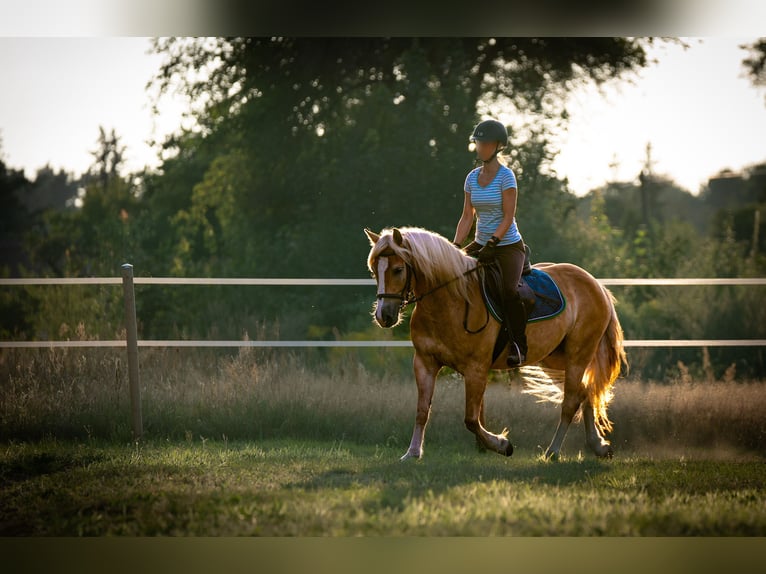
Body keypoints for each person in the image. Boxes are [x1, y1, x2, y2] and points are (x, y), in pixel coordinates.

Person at [452, 119, 527, 367]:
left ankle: (518, 344)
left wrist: (493, 242)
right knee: (451, 278)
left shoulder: (507, 177)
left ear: (497, 146)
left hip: (507, 246)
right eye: (478, 143)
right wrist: (454, 247)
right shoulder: (471, 179)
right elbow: (467, 216)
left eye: (484, 143)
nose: (480, 147)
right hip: (480, 243)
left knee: (509, 291)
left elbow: (508, 216)